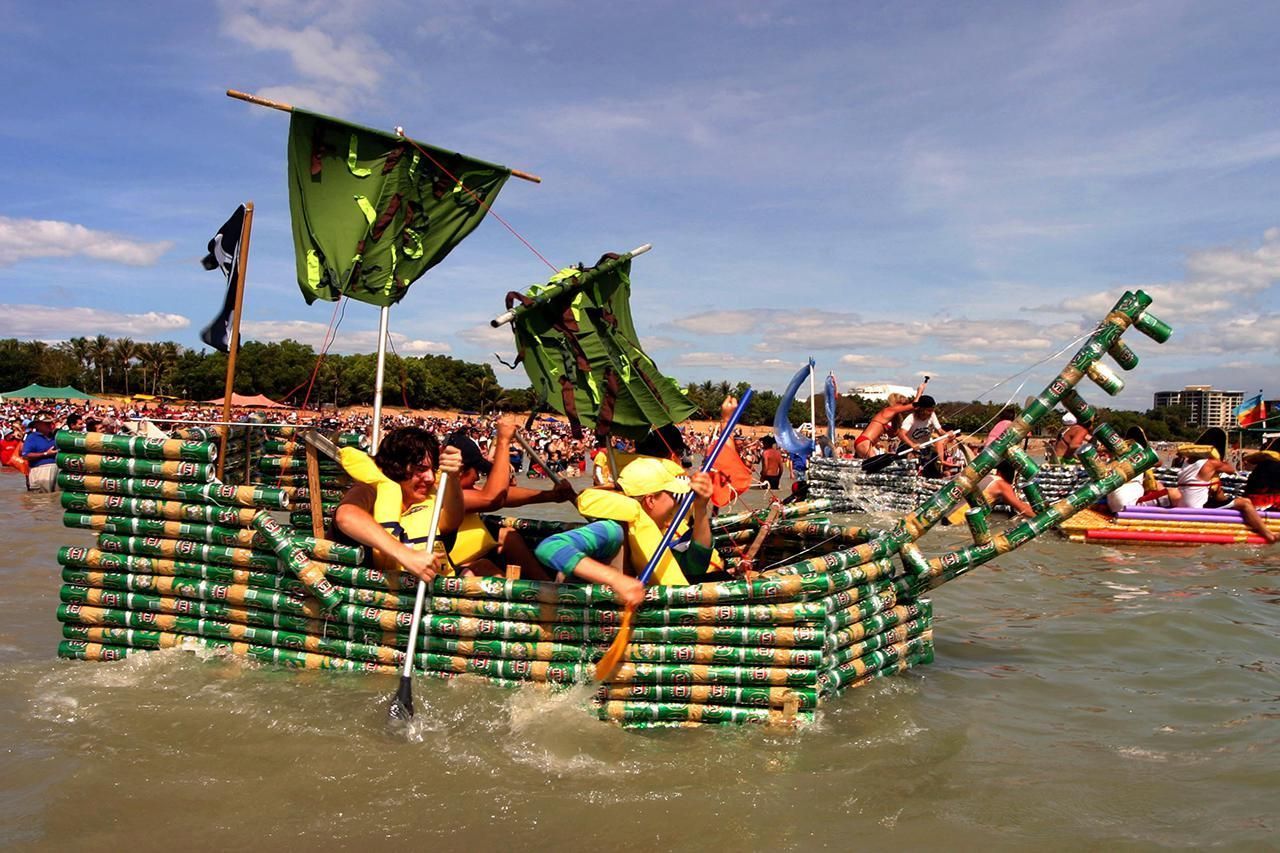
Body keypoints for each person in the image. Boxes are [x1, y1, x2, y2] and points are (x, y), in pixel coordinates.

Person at [536, 457, 719, 606]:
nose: (677, 505)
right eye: (672, 496)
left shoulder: (654, 535)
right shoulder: (612, 530)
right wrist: (616, 579)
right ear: (650, 501)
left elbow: (696, 566)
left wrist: (701, 508)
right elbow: (550, 547)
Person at [444, 416, 576, 579]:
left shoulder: (463, 488)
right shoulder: (442, 489)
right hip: (453, 568)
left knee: (509, 536)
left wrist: (551, 495)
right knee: (484, 567)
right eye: (476, 471)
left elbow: (503, 497)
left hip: (474, 555)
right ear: (459, 470)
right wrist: (503, 441)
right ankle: (541, 593)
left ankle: (545, 584)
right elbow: (492, 499)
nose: (478, 477)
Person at [333, 427, 467, 582]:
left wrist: (454, 477)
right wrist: (405, 555)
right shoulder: (370, 490)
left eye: (433, 469)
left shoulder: (431, 498)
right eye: (421, 469)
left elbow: (452, 520)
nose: (430, 478)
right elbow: (346, 516)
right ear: (396, 466)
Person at [1175, 455, 1277, 545]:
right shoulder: (1211, 463)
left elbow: (1220, 498)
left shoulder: (1186, 464)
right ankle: (1268, 535)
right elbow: (1231, 470)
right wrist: (1218, 460)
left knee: (1231, 501)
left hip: (1185, 504)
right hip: (1199, 507)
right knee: (1245, 502)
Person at [853, 382, 926, 459]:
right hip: (865, 441)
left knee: (872, 467)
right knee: (875, 466)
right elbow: (914, 405)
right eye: (903, 404)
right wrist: (920, 391)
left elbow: (895, 434)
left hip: (866, 442)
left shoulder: (892, 418)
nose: (904, 407)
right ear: (897, 403)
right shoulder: (889, 410)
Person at [896, 395, 952, 477]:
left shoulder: (932, 415)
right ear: (921, 409)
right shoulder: (911, 418)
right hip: (909, 447)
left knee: (932, 471)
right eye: (928, 410)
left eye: (932, 410)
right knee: (911, 471)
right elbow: (901, 434)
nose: (931, 412)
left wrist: (947, 434)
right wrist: (912, 444)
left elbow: (939, 430)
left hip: (925, 448)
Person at [21, 411, 59, 492]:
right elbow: (26, 455)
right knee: (41, 501)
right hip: (40, 471)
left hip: (56, 470)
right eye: (46, 423)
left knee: (55, 499)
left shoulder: (55, 436)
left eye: (50, 423)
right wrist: (45, 454)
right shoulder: (32, 437)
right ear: (37, 425)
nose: (50, 425)